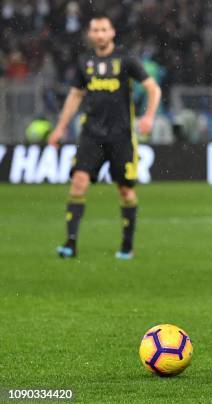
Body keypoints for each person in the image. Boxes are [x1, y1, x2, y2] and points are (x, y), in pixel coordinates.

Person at [47, 14, 161, 259]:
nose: (99, 34)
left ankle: (127, 246)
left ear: (112, 33)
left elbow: (153, 88)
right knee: (78, 183)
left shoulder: (125, 59)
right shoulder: (84, 62)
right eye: (95, 30)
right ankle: (70, 243)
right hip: (91, 134)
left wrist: (149, 116)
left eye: (103, 30)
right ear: (90, 34)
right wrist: (60, 127)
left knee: (125, 191)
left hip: (121, 136)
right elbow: (75, 96)